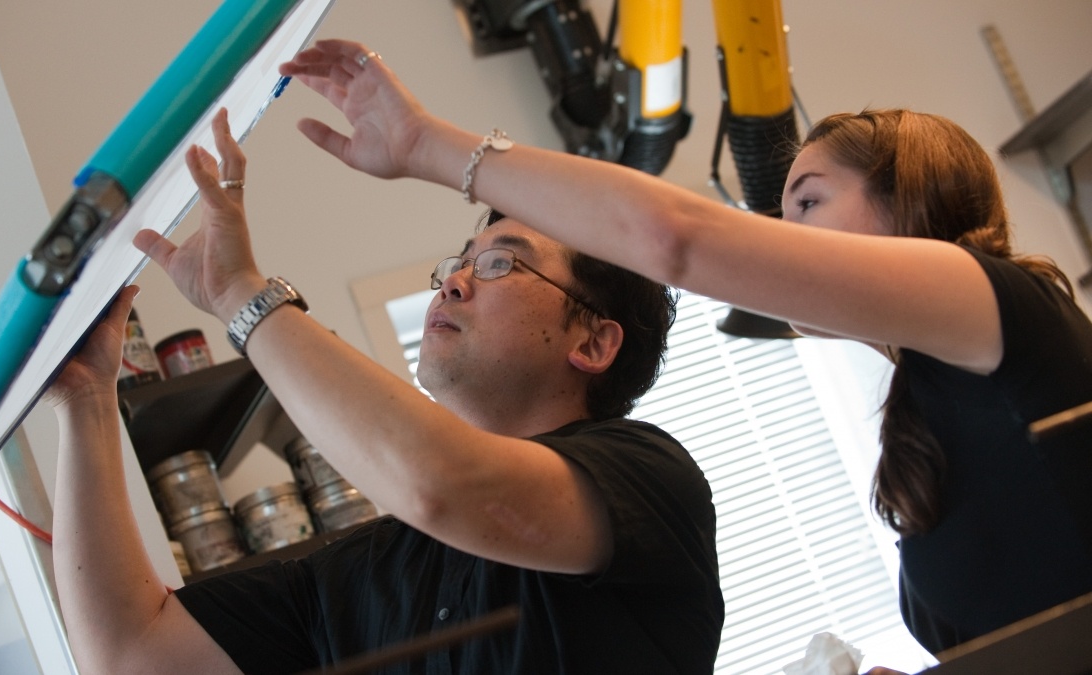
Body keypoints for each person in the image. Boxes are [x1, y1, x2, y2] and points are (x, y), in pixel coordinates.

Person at [282, 39, 1092, 659]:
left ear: (911, 196)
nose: (783, 234)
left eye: (807, 200)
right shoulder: (922, 441)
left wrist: (428, 146)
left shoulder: (997, 305)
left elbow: (673, 237)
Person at [47, 107, 724, 673]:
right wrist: (87, 399)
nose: (454, 281)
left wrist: (239, 295)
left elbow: (444, 481)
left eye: (499, 263)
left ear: (593, 343)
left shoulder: (651, 478)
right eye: (457, 264)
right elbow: (130, 654)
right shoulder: (358, 573)